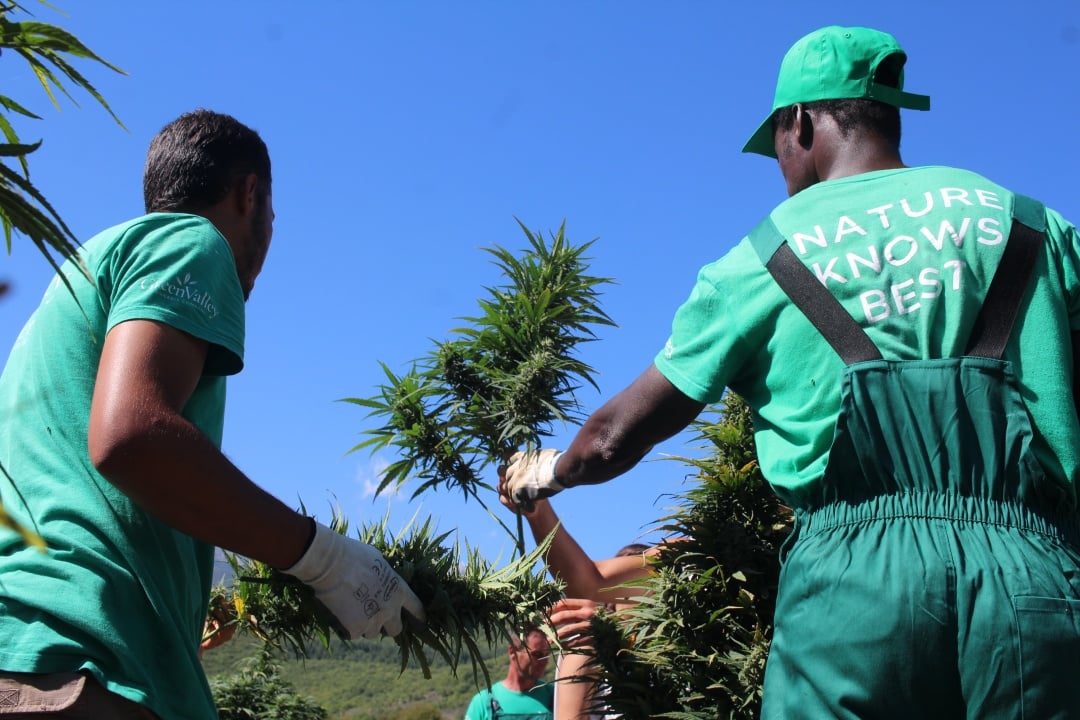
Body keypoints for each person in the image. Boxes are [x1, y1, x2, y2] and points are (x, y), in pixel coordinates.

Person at [503, 25, 1080, 719]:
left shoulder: (761, 257)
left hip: (855, 593)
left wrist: (549, 473)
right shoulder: (1036, 227)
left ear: (798, 123)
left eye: (776, 145)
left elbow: (613, 437)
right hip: (1033, 582)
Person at [0, 109, 425, 720]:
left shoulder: (81, 273)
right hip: (87, 659)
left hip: (36, 651)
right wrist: (321, 557)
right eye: (274, 217)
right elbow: (132, 436)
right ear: (249, 194)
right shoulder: (190, 240)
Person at [464, 624, 554, 720]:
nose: (544, 660)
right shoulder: (484, 702)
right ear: (513, 651)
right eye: (537, 654)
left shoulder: (555, 697)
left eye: (547, 654)